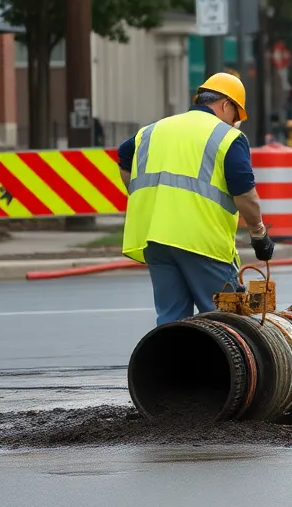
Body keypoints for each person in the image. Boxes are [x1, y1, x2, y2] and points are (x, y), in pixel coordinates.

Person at [117, 73, 275, 326]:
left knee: (171, 320)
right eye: (235, 116)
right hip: (201, 241)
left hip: (154, 238)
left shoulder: (153, 130)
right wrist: (259, 234)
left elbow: (124, 156)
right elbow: (245, 194)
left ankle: (172, 366)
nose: (234, 124)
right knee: (227, 322)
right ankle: (225, 367)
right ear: (225, 105)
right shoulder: (227, 138)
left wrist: (142, 197)